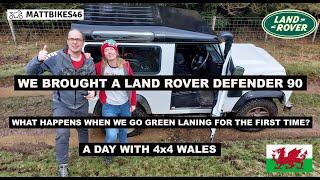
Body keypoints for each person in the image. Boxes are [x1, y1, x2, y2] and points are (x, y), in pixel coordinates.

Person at [26, 29, 96, 177]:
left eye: (78, 39)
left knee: (83, 129)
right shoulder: (56, 57)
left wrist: (93, 91)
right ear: (67, 41)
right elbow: (31, 72)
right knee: (63, 133)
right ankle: (63, 166)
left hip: (82, 104)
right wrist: (37, 59)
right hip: (62, 104)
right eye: (72, 39)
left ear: (83, 42)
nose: (75, 42)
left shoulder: (89, 61)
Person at [95, 39, 137, 165]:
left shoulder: (125, 66)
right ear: (104, 54)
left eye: (111, 49)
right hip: (109, 107)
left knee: (123, 130)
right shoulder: (100, 67)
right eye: (106, 50)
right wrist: (86, 58)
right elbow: (86, 69)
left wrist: (133, 103)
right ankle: (108, 154)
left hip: (125, 105)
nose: (109, 52)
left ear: (116, 51)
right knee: (112, 134)